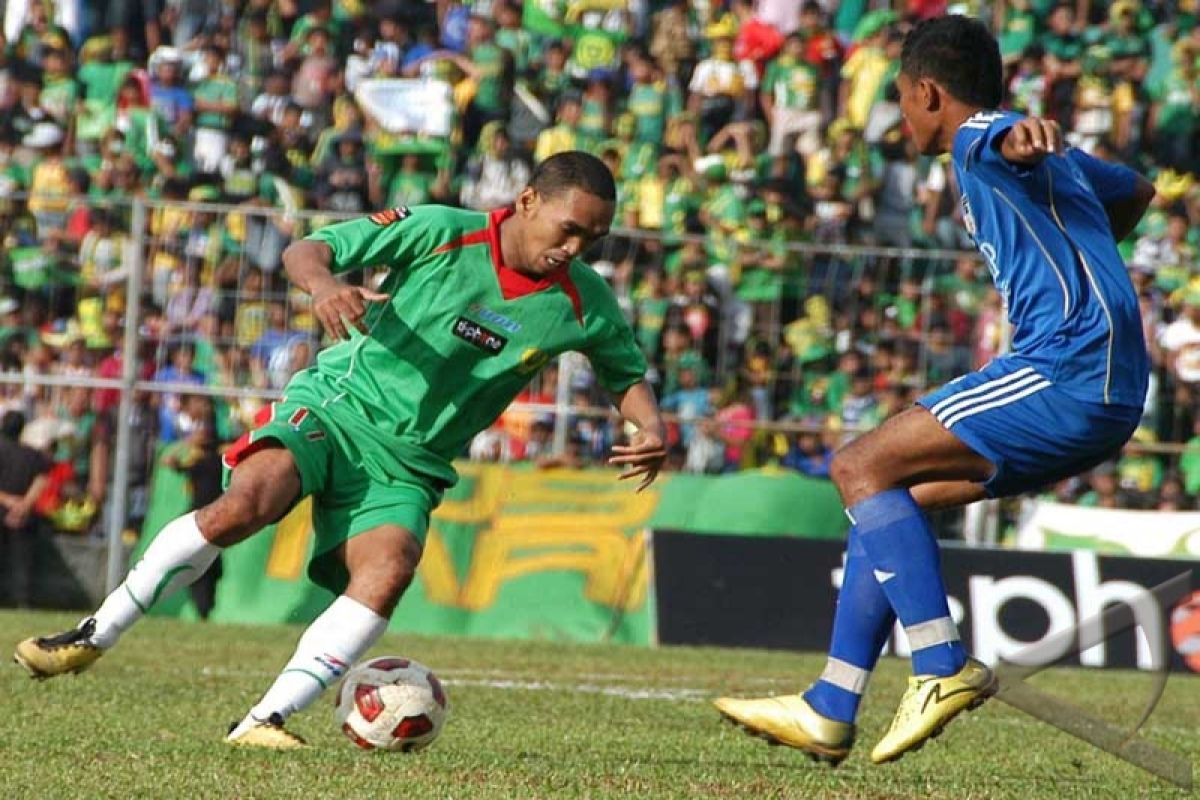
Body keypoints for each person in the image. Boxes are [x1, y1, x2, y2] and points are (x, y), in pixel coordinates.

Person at [15, 152, 668, 748]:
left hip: (409, 463)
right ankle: (94, 633)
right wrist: (324, 287)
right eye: (569, 229)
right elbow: (309, 248)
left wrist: (650, 426)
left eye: (592, 238)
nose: (575, 248)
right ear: (527, 201)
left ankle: (264, 722)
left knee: (389, 570)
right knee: (248, 504)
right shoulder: (443, 230)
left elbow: (624, 372)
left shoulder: (585, 300)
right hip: (336, 405)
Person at [715, 15, 1154, 767]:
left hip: (1067, 368)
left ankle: (939, 664)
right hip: (1109, 389)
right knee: (889, 504)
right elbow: (1137, 189)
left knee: (858, 466)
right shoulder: (1059, 168)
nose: (901, 114)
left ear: (926, 92)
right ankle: (831, 702)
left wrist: (1020, 138)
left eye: (901, 99)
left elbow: (1005, 133)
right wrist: (1074, 238)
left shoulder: (980, 140)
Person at [0, 411, 51, 608]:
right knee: (22, 563)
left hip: (4, 510)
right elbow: (42, 478)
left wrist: (8, 501)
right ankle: (22, 601)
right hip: (24, 516)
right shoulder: (33, 455)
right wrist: (25, 504)